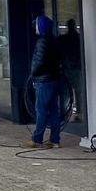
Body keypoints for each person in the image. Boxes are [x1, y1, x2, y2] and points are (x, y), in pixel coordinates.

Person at [23, 15, 65, 149]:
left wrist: (33, 74)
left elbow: (39, 61)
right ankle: (54, 139)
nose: (34, 27)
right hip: (54, 79)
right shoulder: (54, 40)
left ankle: (37, 139)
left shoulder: (42, 42)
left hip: (44, 80)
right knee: (53, 110)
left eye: (36, 25)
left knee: (41, 110)